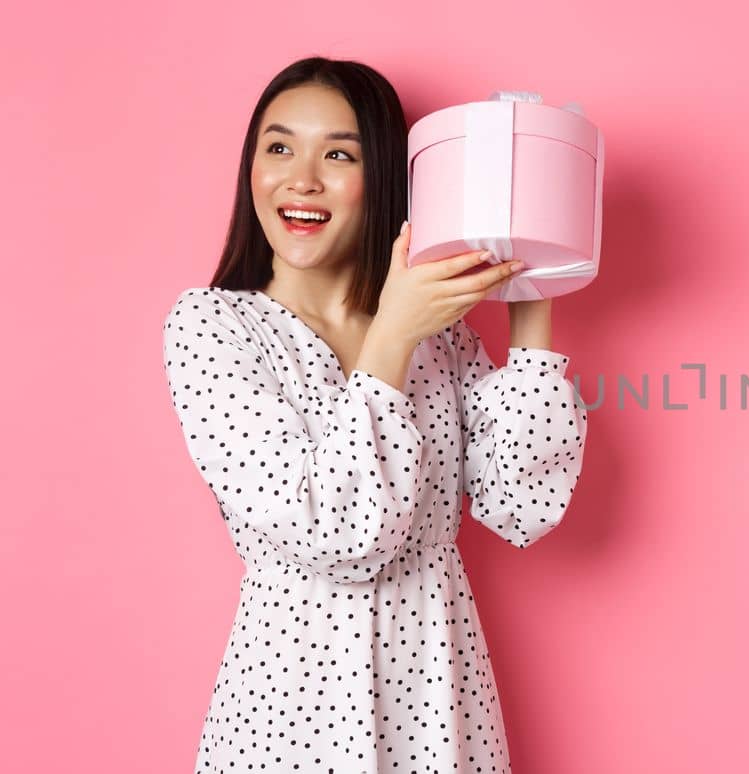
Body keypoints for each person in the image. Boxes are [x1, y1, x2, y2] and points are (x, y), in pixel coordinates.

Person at [160, 56, 588, 772]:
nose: (301, 177)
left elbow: (522, 505)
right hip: (292, 703)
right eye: (278, 147)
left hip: (437, 688)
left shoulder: (443, 335)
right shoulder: (212, 328)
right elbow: (333, 532)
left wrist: (531, 292)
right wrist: (392, 334)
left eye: (337, 154)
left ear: (383, 177)